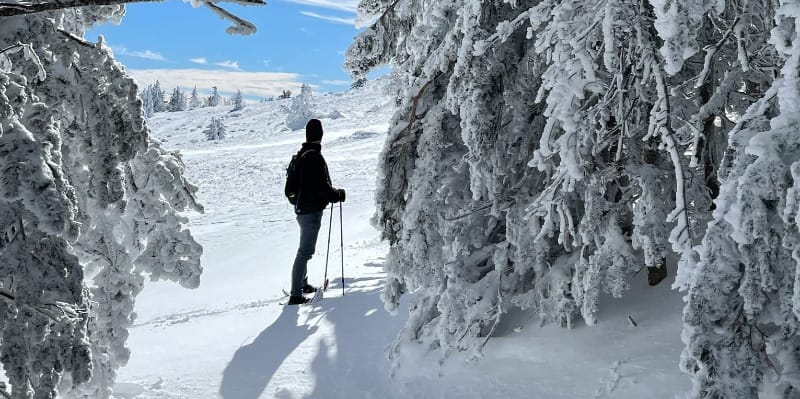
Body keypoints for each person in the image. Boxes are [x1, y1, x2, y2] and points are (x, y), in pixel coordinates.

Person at [287, 119, 345, 305]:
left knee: (303, 249)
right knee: (305, 252)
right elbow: (321, 187)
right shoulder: (314, 157)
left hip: (302, 209)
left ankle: (302, 285)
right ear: (320, 135)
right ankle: (296, 295)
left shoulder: (301, 155)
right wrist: (337, 195)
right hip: (311, 211)